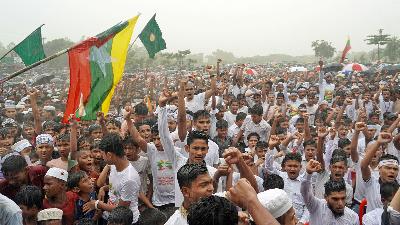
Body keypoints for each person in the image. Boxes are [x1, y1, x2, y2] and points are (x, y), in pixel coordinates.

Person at [90, 133, 141, 224]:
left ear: (109, 155)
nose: (102, 157)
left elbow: (121, 209)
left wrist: (98, 204)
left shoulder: (129, 178)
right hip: (110, 217)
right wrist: (104, 188)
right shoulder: (114, 164)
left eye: (102, 154)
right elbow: (112, 187)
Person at [301, 159, 358, 224]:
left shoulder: (353, 217)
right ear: (326, 197)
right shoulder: (316, 207)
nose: (340, 203)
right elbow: (305, 191)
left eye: (343, 198)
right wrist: (308, 173)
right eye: (335, 199)